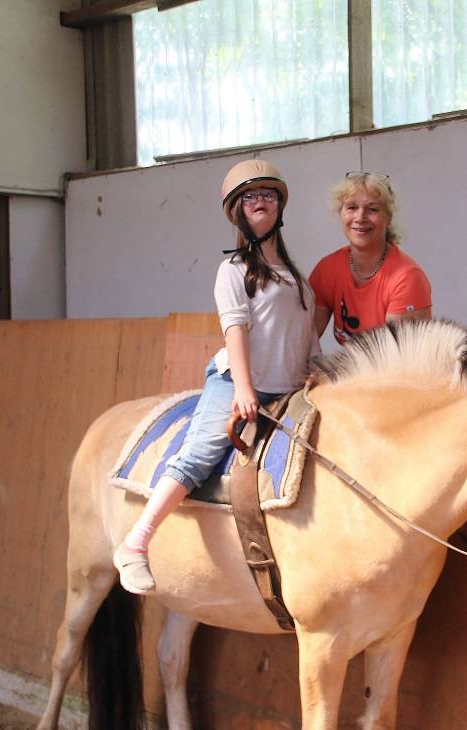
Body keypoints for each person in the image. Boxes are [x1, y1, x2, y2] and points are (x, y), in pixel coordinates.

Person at [113, 159, 318, 595]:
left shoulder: (299, 280)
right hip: (240, 381)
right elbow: (235, 331)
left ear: (279, 206)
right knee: (201, 452)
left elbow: (306, 338)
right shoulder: (232, 271)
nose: (259, 201)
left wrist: (319, 372)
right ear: (238, 212)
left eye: (267, 195)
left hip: (290, 387)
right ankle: (137, 542)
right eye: (250, 197)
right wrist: (243, 389)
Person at [309, 172, 432, 343]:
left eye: (372, 209)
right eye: (351, 207)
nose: (360, 218)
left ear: (389, 218)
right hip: (357, 367)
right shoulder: (327, 269)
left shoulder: (407, 278)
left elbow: (395, 360)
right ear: (341, 214)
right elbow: (303, 339)